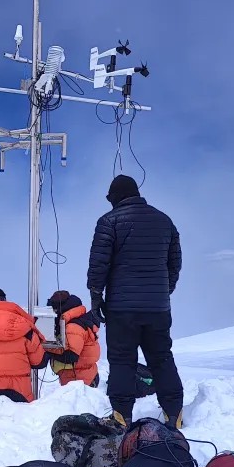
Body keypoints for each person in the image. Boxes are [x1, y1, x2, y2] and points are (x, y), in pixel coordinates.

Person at [87, 174, 185, 427]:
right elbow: (174, 263)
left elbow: (99, 265)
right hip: (158, 308)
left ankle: (121, 416)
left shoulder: (109, 222)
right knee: (161, 357)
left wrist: (96, 299)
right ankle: (174, 413)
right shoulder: (165, 221)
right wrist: (163, 291)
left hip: (122, 309)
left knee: (122, 361)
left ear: (116, 198)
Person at [42, 290, 102, 387]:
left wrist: (46, 348)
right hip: (82, 377)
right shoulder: (78, 320)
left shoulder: (73, 327)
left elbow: (70, 356)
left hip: (78, 381)